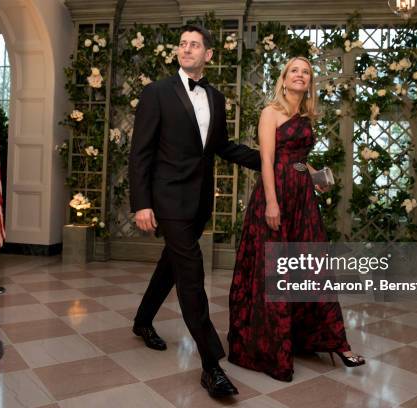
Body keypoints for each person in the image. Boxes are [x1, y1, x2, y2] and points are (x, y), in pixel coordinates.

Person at [128, 25, 261, 398]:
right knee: (191, 274)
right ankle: (211, 364)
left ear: (209, 55)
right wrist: (141, 202)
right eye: (182, 44)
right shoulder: (156, 93)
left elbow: (223, 147)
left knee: (172, 264)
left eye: (195, 45)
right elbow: (140, 153)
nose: (187, 49)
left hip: (199, 201)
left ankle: (142, 322)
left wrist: (268, 159)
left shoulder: (215, 98)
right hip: (167, 198)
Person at [227, 57, 365, 382]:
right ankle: (274, 348)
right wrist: (272, 204)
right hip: (276, 198)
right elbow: (268, 161)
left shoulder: (305, 115)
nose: (300, 75)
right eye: (295, 71)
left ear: (309, 82)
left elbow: (297, 162)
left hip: (303, 199)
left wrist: (317, 175)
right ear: (284, 79)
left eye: (306, 72)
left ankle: (335, 341)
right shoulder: (270, 112)